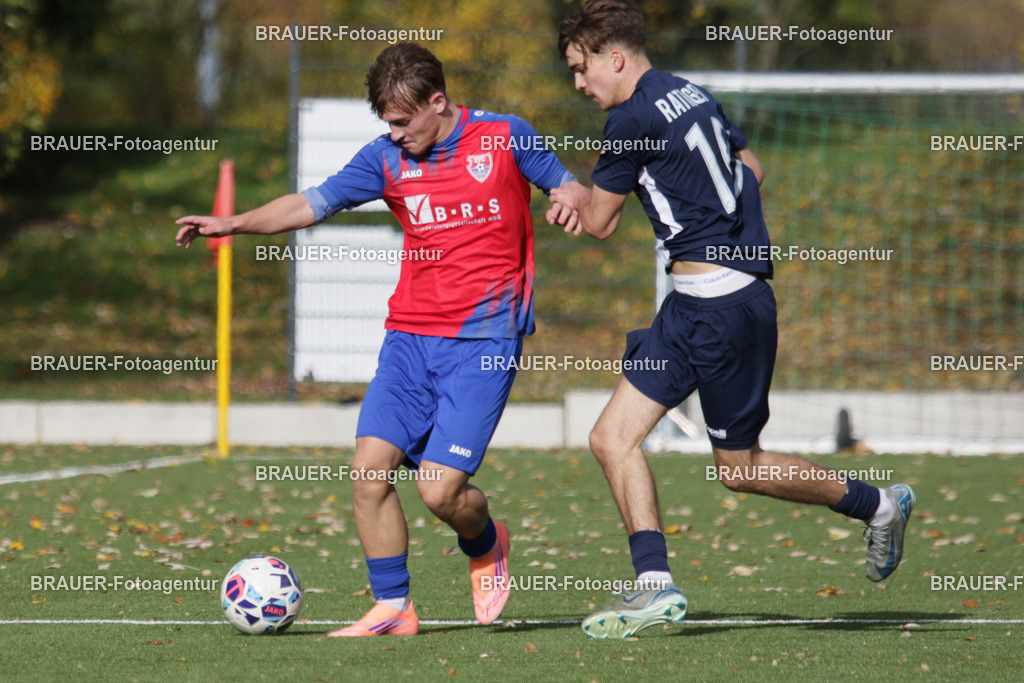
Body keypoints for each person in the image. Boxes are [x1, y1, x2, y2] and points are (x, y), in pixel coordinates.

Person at [176, 42, 583, 636]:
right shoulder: (386, 159)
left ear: (437, 102)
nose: (393, 134)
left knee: (441, 493)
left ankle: (488, 541)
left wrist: (569, 196)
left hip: (484, 343)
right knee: (368, 474)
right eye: (385, 123)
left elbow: (568, 188)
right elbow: (311, 203)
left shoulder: (505, 136)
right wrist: (233, 224)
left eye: (402, 120)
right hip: (408, 341)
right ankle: (394, 607)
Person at [549, 0, 915, 639]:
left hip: (717, 312)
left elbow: (601, 223)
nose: (580, 85)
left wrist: (570, 195)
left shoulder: (630, 119)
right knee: (612, 438)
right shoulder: (692, 91)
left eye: (582, 70)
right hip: (705, 305)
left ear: (615, 56)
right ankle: (654, 585)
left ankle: (879, 504)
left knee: (739, 468)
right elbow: (753, 168)